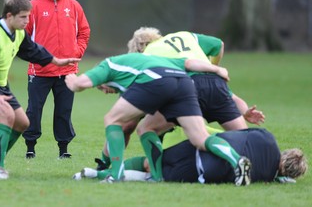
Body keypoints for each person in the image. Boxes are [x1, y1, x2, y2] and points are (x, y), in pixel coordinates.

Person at [94, 27, 264, 174]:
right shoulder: (185, 36)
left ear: (137, 51)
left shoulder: (146, 59)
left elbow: (126, 125)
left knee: (147, 128)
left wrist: (104, 162)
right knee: (245, 139)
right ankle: (269, 171)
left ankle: (156, 175)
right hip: (216, 82)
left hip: (187, 90)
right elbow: (219, 45)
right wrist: (214, 68)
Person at [65, 52, 252, 186]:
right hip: (184, 81)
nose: (105, 91)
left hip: (155, 79)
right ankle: (237, 161)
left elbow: (79, 84)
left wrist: (69, 77)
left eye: (102, 88)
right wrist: (216, 70)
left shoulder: (108, 65)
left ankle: (115, 174)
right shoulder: (148, 60)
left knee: (112, 120)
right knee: (194, 137)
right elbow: (188, 63)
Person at [0, 0, 80, 179]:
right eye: (23, 17)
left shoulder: (18, 33)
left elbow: (32, 51)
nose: (26, 21)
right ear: (9, 16)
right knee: (6, 116)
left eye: (28, 16)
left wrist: (55, 61)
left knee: (23, 122)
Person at [74, 128, 308, 184]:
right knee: (157, 176)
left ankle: (101, 171)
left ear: (286, 152)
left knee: (151, 163)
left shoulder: (266, 136)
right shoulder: (268, 176)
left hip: (207, 146)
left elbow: (235, 130)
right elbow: (274, 174)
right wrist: (280, 177)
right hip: (206, 170)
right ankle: (96, 173)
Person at [23, 0, 91, 159]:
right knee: (34, 111)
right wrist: (35, 57)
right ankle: (30, 147)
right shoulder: (33, 5)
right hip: (40, 71)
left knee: (64, 112)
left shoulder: (74, 6)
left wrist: (76, 51)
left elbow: (84, 32)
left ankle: (64, 149)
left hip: (67, 71)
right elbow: (23, 36)